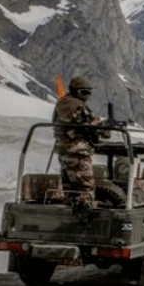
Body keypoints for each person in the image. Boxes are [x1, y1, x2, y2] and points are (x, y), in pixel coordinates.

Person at [53, 76, 108, 213]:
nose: (87, 96)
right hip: (78, 152)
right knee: (86, 188)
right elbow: (99, 128)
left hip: (63, 152)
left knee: (69, 188)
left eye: (89, 92)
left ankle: (69, 215)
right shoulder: (78, 106)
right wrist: (106, 127)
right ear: (76, 92)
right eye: (84, 92)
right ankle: (85, 222)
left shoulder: (61, 103)